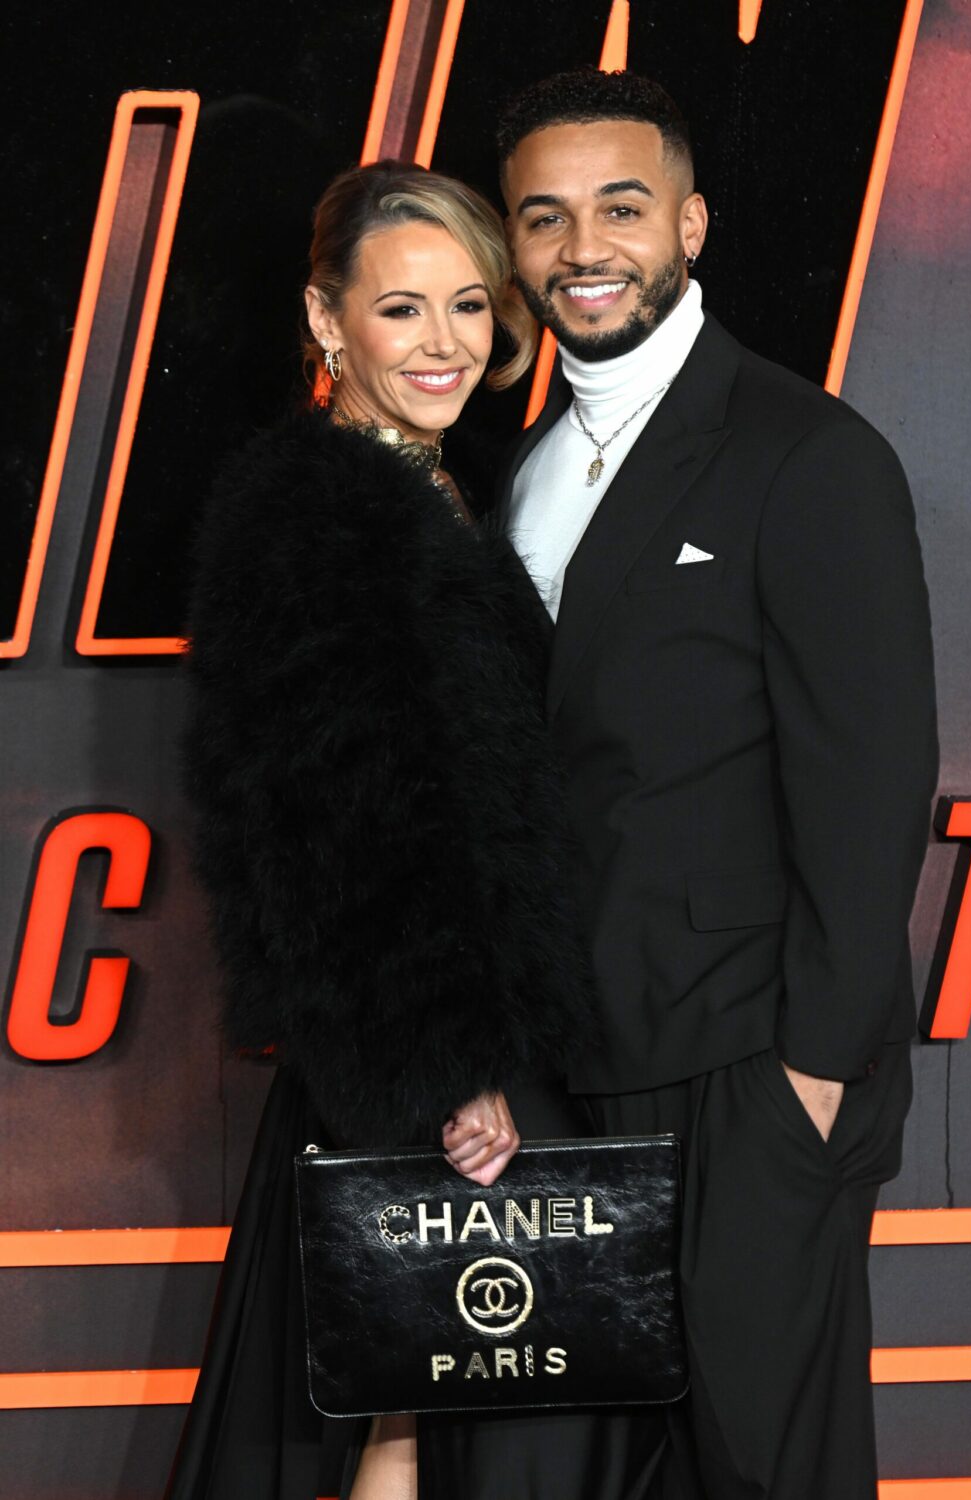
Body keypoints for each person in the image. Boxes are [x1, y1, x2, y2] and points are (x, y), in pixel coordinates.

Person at [495, 69, 940, 1500]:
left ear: (689, 221)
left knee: (759, 1473)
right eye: (544, 217)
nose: (584, 249)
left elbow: (873, 789)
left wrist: (813, 1072)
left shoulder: (804, 454)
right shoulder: (524, 470)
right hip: (566, 1074)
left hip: (749, 1069)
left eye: (620, 208)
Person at [165, 161, 628, 1500]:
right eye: (403, 311)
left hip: (465, 1034)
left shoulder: (449, 485)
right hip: (417, 1054)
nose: (445, 344)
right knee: (416, 1403)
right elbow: (322, 820)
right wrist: (441, 1068)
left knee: (430, 1403)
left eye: (471, 307)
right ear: (325, 321)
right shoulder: (307, 508)